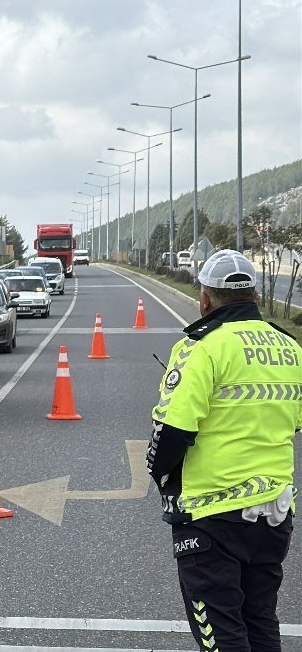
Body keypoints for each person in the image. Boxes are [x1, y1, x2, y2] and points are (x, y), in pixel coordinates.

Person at [147, 249, 298, 652]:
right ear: (254, 295)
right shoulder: (290, 348)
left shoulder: (203, 348)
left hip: (211, 515)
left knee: (222, 632)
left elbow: (172, 429)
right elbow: (295, 421)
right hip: (274, 513)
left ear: (205, 298)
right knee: (260, 620)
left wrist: (159, 473)